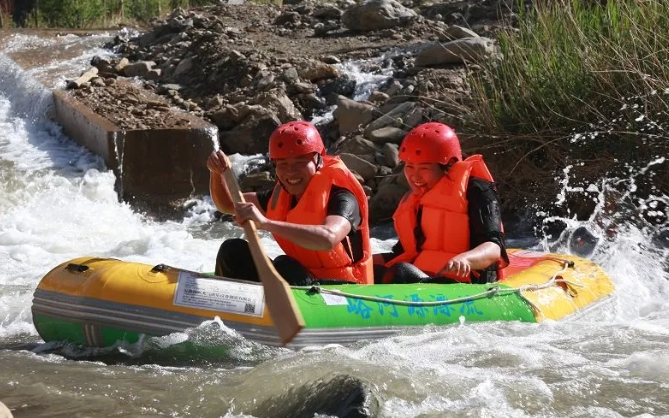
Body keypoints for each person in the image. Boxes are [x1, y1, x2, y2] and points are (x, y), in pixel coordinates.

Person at [207, 120, 373, 286]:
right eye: (283, 164)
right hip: (303, 278)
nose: (291, 171)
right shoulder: (279, 197)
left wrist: (265, 223)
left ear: (318, 160)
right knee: (232, 250)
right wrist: (216, 173)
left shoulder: (342, 197)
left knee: (285, 265)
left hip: (347, 289)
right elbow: (228, 205)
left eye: (300, 162)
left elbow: (328, 239)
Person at [373, 122, 509, 284]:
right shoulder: (417, 199)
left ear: (448, 165)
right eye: (409, 167)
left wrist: (465, 259)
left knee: (400, 272)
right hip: (426, 279)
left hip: (468, 285)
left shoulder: (478, 191)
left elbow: (493, 249)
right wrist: (363, 260)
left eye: (424, 169)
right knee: (375, 270)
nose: (414, 177)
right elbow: (403, 252)